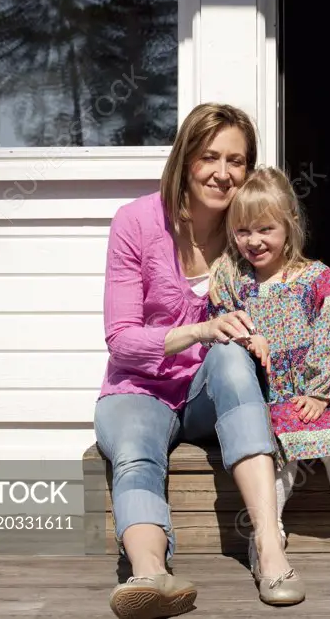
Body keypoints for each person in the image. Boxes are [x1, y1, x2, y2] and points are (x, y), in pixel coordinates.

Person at [93, 103, 303, 618]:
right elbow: (121, 340)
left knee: (230, 355)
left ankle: (269, 547)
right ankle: (151, 575)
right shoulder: (136, 222)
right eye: (210, 157)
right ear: (186, 160)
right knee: (137, 451)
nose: (223, 173)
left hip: (215, 395)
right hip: (139, 387)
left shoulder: (252, 231)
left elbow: (290, 305)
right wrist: (199, 330)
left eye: (236, 160)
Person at [206, 167, 330, 574]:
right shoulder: (233, 281)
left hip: (313, 394)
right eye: (243, 231)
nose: (254, 241)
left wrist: (320, 392)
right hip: (262, 398)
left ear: (290, 225)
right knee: (273, 455)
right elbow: (219, 328)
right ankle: (268, 534)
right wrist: (246, 338)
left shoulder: (316, 279)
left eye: (265, 228)